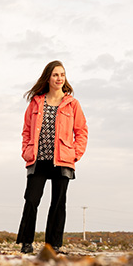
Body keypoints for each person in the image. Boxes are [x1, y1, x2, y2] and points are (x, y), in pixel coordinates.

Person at [16, 60, 88, 254]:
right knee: (31, 199)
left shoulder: (72, 104)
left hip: (63, 159)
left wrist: (75, 154)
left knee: (58, 202)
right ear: (48, 77)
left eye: (62, 75)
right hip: (38, 159)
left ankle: (53, 244)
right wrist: (26, 150)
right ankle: (26, 242)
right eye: (56, 75)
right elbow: (26, 130)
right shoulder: (36, 102)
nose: (59, 78)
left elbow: (81, 132)